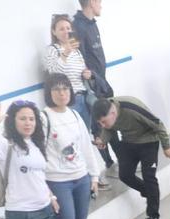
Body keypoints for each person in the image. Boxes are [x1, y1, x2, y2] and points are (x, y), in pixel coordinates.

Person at [41, 73, 103, 219]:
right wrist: (46, 191)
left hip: (81, 178)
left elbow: (86, 146)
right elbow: (38, 154)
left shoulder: (75, 114)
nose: (62, 93)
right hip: (58, 181)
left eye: (65, 88)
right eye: (56, 89)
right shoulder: (43, 117)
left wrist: (94, 175)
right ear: (49, 92)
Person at [92, 96, 170, 219]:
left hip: (149, 141)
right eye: (100, 123)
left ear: (113, 113)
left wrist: (167, 147)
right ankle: (150, 192)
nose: (103, 125)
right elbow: (109, 128)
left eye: (104, 121)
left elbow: (158, 123)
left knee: (149, 177)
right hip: (129, 142)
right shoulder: (108, 113)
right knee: (125, 175)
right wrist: (103, 140)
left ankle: (153, 217)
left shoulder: (131, 109)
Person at [73, 0, 115, 179]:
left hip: (101, 82)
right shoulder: (78, 26)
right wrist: (91, 80)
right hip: (91, 87)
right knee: (99, 126)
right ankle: (109, 164)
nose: (102, 5)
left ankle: (115, 162)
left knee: (110, 121)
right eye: (100, 1)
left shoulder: (92, 24)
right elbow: (80, 58)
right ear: (92, 2)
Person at [43, 14, 93, 125]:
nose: (66, 31)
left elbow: (82, 71)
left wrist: (87, 74)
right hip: (69, 100)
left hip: (84, 97)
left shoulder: (76, 50)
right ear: (54, 32)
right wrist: (66, 52)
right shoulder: (52, 50)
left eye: (68, 28)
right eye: (61, 29)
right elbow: (54, 73)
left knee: (86, 131)